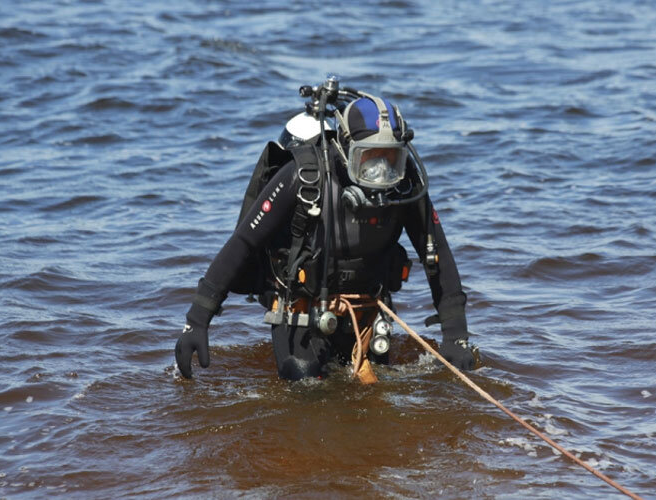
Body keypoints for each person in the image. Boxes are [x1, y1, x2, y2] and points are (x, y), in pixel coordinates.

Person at [175, 79, 476, 380]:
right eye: (370, 159)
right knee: (306, 383)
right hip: (303, 309)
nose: (382, 172)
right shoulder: (303, 177)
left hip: (368, 308)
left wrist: (456, 334)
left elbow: (436, 253)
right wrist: (197, 320)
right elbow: (243, 242)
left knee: (380, 390)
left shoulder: (405, 185)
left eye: (392, 159)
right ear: (346, 150)